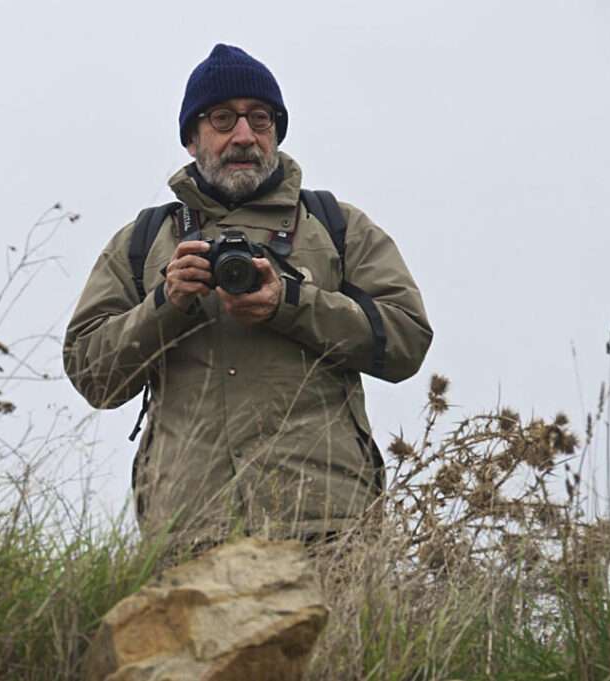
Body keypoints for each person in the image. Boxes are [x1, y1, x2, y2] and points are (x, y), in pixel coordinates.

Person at [63, 44, 432, 552]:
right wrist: (165, 305)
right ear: (192, 138)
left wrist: (291, 303)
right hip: (189, 529)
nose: (244, 135)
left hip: (326, 524)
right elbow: (91, 374)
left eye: (260, 119)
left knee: (341, 637)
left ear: (276, 134)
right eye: (222, 119)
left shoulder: (337, 226)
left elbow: (407, 340)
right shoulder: (145, 240)